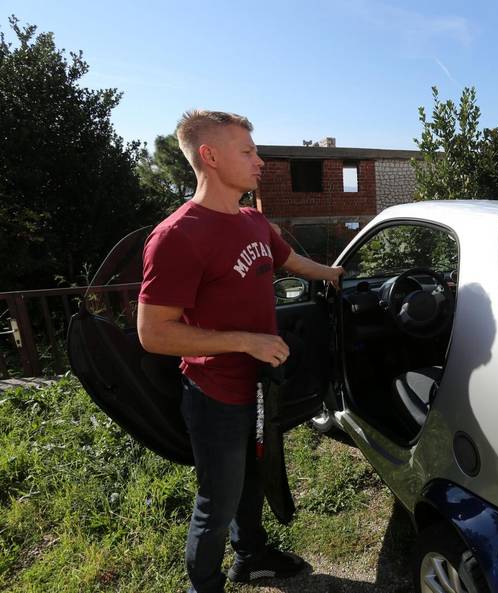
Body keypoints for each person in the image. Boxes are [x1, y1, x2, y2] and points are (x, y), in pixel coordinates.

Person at [136, 110, 343, 593]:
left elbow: (292, 262)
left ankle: (250, 556)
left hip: (262, 389)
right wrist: (245, 341)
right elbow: (153, 333)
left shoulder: (253, 220)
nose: (260, 161)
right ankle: (204, 586)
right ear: (209, 156)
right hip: (216, 395)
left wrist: (336, 275)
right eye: (247, 151)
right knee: (218, 501)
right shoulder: (176, 237)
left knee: (254, 477)